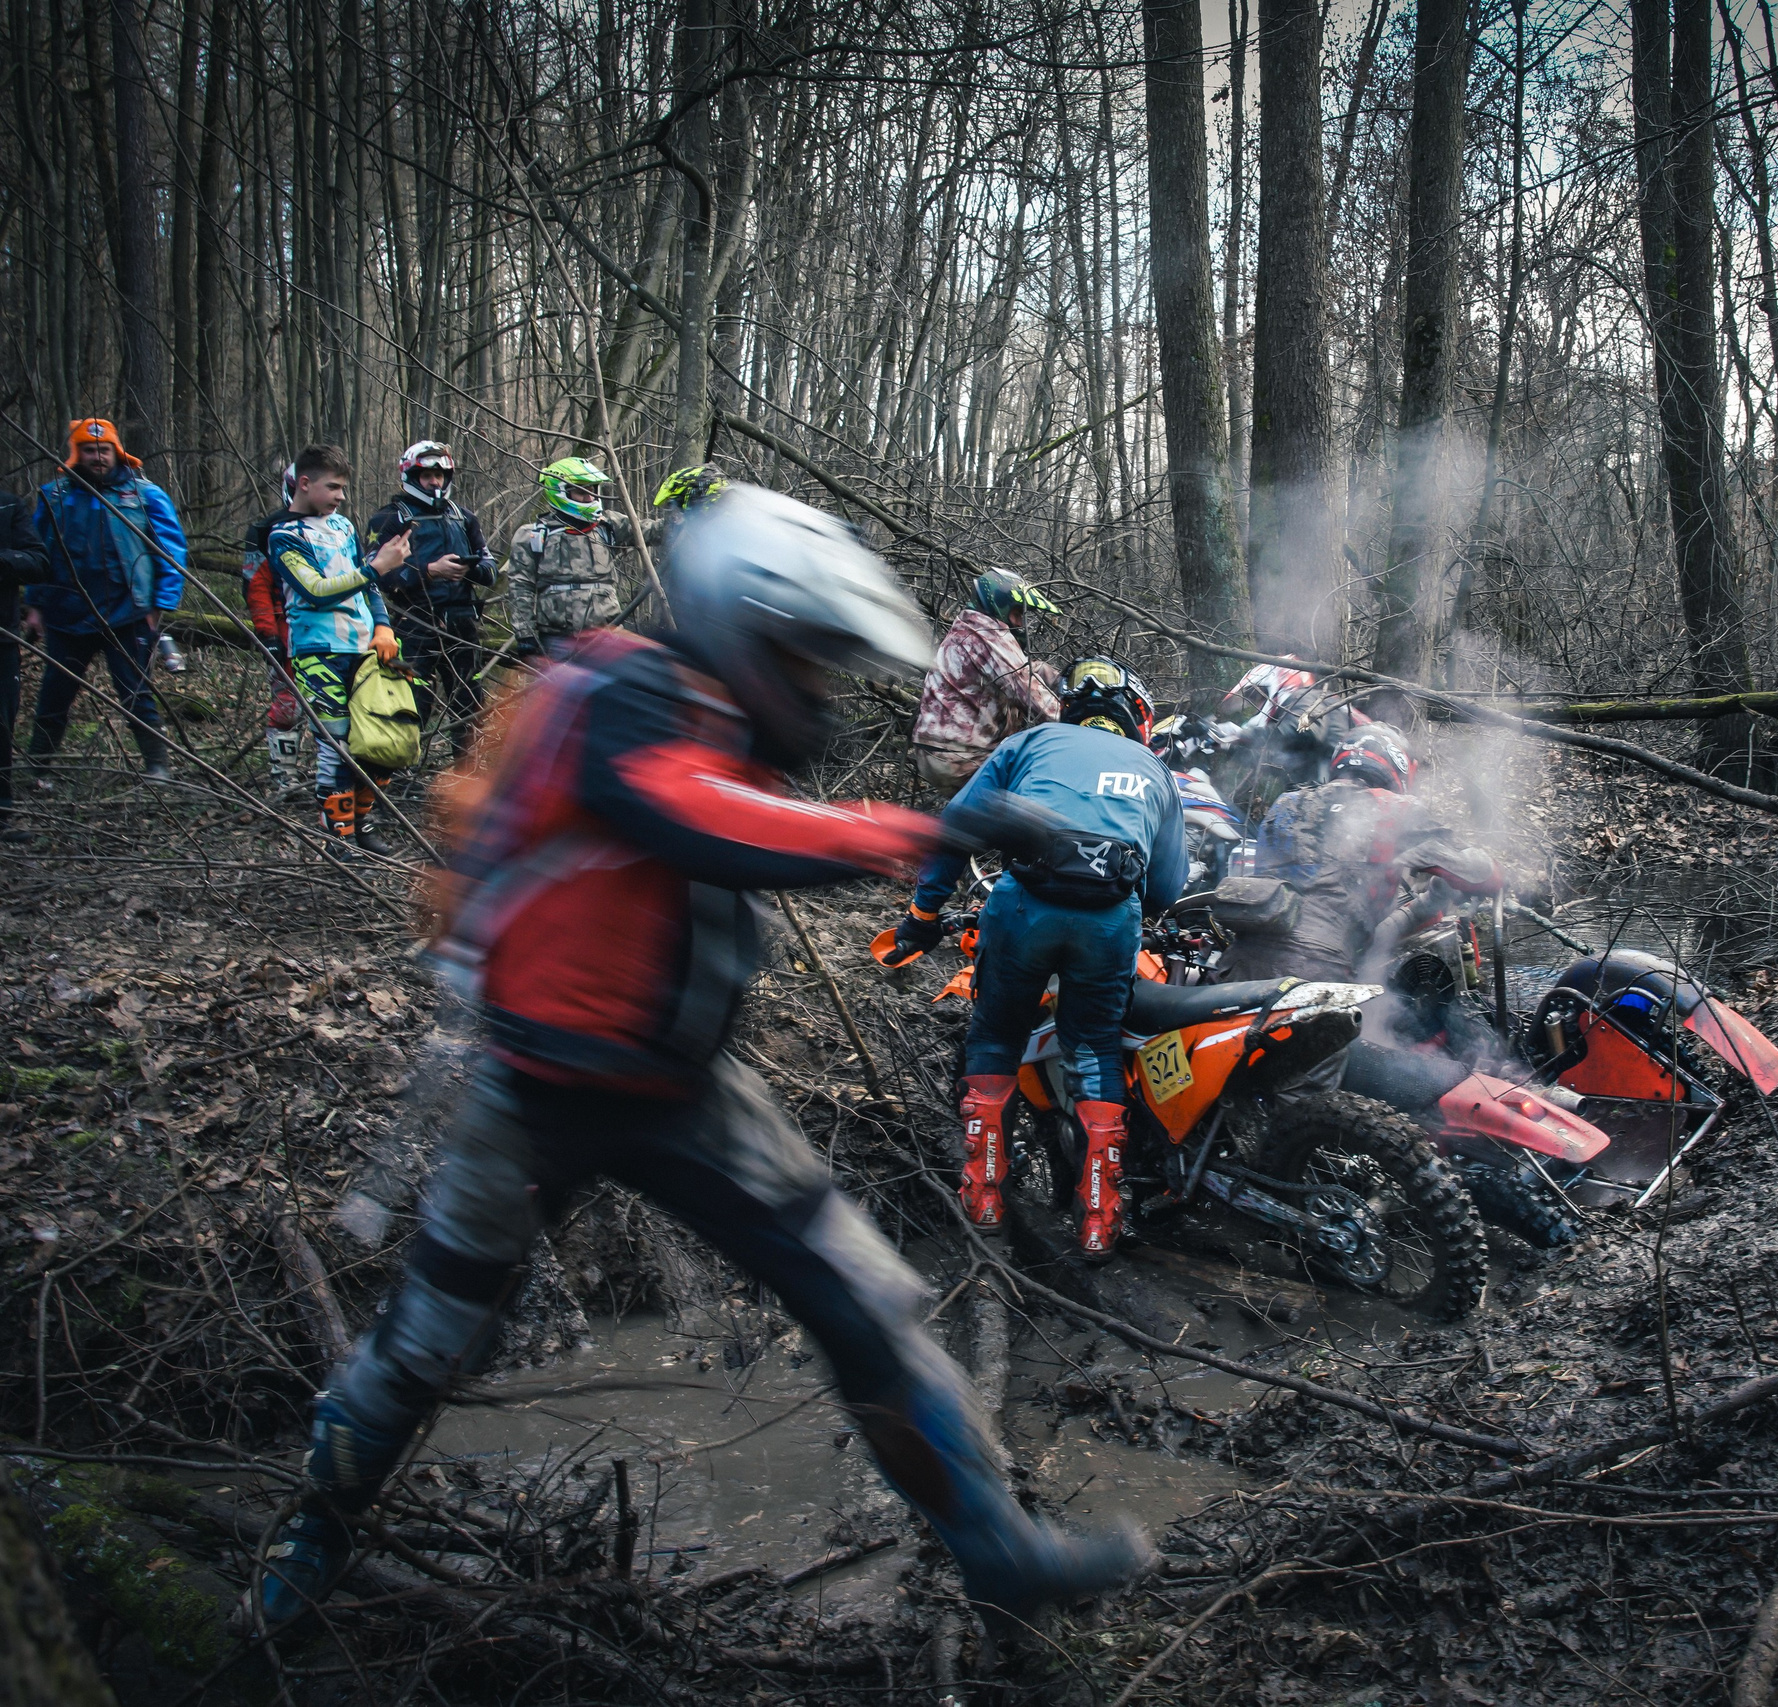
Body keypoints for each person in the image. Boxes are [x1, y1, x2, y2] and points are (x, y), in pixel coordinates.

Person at [256, 487, 1148, 1634]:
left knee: (868, 1306)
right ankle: (310, 1540)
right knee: (431, 1340)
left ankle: (996, 1552)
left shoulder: (706, 713)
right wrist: (938, 830)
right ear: (742, 624)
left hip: (679, 1090)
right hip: (536, 1085)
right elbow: (691, 818)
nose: (813, 690)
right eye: (804, 659)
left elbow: (722, 815)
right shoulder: (622, 692)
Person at [896, 657, 1184, 1252]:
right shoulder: (1156, 772)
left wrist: (923, 915)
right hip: (1110, 919)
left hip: (1024, 904)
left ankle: (983, 1195)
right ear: (1137, 721)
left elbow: (959, 823)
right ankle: (1101, 1218)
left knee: (996, 1036)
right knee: (1096, 1047)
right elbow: (1165, 890)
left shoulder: (1031, 741)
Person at [1226, 723, 1502, 992]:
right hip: (1316, 978)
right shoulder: (1393, 807)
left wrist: (1428, 903)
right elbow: (1478, 874)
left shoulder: (1285, 804)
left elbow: (1329, 913)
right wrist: (1500, 876)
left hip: (1235, 971)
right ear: (1397, 767)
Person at [24, 419, 186, 784]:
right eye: (89, 450)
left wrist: (159, 606)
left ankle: (157, 766)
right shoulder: (54, 496)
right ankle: (38, 767)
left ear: (116, 452)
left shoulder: (145, 496)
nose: (97, 457)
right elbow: (38, 552)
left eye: (104, 450)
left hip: (127, 614)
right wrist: (34, 605)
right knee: (55, 695)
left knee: (136, 693)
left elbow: (171, 553)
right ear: (77, 454)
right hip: (66, 614)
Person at [271, 444, 410, 855]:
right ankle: (338, 836)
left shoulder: (344, 528)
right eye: (333, 487)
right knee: (337, 746)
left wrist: (383, 626)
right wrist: (376, 567)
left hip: (365, 650)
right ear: (306, 483)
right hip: (319, 652)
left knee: (381, 740)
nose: (341, 497)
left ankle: (362, 824)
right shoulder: (284, 535)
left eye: (343, 488)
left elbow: (365, 584)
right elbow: (313, 591)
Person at [365, 442, 496, 764]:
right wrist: (429, 572)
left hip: (462, 622)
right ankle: (397, 771)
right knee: (411, 701)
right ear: (411, 475)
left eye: (440, 475)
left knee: (468, 700)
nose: (435, 482)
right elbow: (376, 575)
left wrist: (470, 569)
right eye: (427, 476)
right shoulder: (389, 519)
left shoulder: (463, 517)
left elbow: (491, 568)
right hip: (414, 623)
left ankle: (468, 774)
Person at [909, 567, 1061, 797]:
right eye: (1017, 614)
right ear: (1001, 606)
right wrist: (1080, 724)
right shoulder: (989, 636)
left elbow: (1025, 668)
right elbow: (1033, 696)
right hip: (962, 757)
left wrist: (1065, 678)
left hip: (941, 751)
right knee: (1039, 801)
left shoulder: (968, 629)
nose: (1020, 624)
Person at [505, 455, 628, 660]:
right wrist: (525, 633)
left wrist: (687, 514)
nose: (589, 498)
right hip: (558, 639)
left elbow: (652, 531)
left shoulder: (609, 525)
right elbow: (520, 586)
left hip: (608, 635)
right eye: (581, 491)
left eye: (593, 490)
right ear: (560, 491)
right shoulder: (532, 535)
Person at [243, 462, 306, 795]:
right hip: (284, 630)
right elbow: (255, 586)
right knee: (287, 704)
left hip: (327, 632)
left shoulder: (338, 528)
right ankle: (284, 776)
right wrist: (267, 634)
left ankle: (335, 776)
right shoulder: (267, 530)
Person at [0, 488, 44, 840]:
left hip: (2, 636)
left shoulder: (8, 504)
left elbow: (37, 562)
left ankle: (1, 814)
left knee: (2, 722)